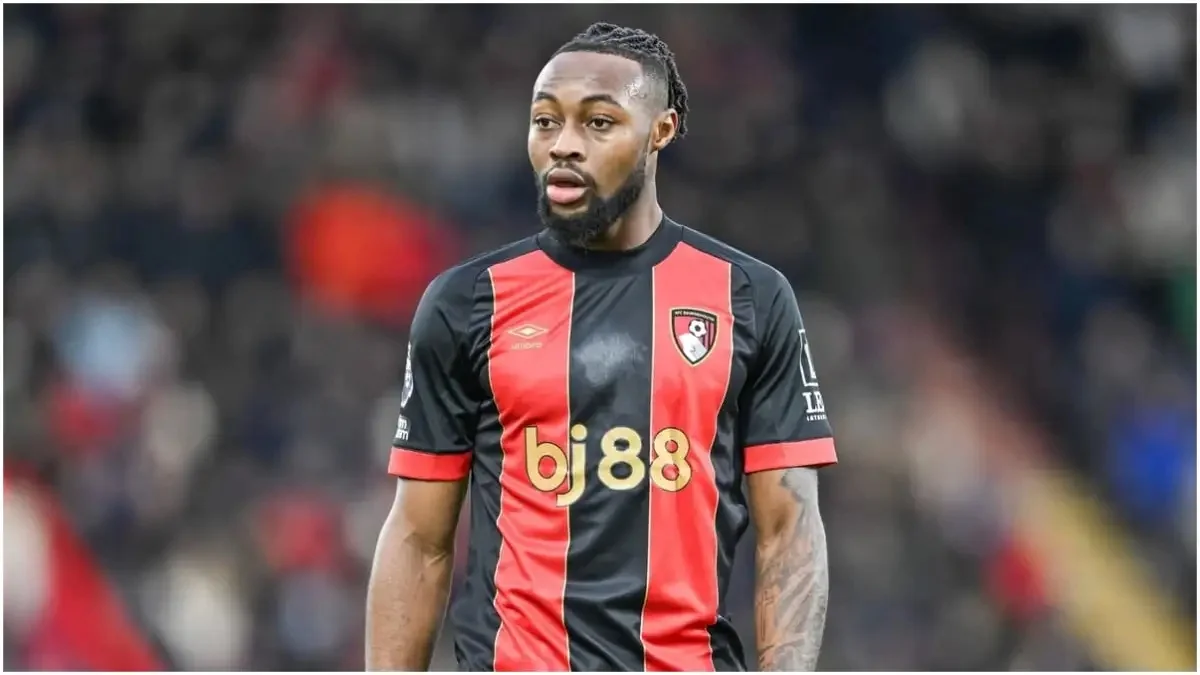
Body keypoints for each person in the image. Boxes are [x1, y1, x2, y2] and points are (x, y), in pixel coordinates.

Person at [366, 22, 836, 672]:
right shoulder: (467, 302)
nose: (563, 144)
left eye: (598, 122)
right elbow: (420, 539)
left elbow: (789, 530)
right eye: (545, 121)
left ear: (660, 131)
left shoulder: (751, 297)